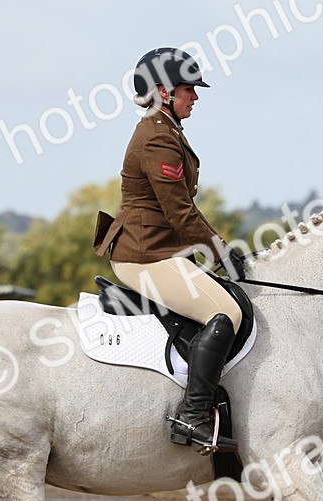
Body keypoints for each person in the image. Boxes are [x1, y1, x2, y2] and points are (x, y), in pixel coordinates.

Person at [93, 47, 244, 453]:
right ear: (163, 91)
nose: (195, 96)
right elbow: (180, 212)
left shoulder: (167, 128)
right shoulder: (157, 136)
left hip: (161, 249)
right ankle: (193, 415)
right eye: (188, 89)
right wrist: (221, 251)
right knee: (226, 312)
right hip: (145, 254)